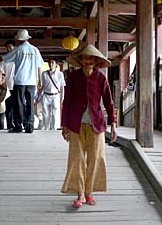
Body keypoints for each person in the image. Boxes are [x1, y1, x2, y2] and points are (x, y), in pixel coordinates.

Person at [60, 44, 117, 208]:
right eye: (84, 57)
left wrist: (113, 124)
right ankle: (79, 195)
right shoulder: (73, 77)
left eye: (91, 58)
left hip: (96, 124)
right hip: (75, 125)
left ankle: (89, 193)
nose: (87, 60)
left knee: (95, 159)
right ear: (80, 60)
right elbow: (68, 101)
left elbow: (109, 102)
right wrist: (64, 125)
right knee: (77, 160)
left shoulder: (101, 78)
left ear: (96, 60)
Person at [0, 29, 44, 133]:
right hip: (32, 82)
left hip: (20, 81)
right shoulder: (35, 50)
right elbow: (39, 67)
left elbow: (4, 58)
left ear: (19, 39)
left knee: (18, 104)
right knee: (30, 104)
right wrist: (40, 80)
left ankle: (18, 126)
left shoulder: (18, 49)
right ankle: (30, 127)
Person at [36, 58, 66, 130]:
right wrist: (38, 96)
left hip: (55, 95)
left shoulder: (60, 74)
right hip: (46, 95)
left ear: (56, 64)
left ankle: (54, 129)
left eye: (52, 63)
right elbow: (42, 86)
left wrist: (62, 97)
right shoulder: (44, 74)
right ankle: (46, 129)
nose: (51, 64)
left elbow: (62, 86)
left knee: (54, 114)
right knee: (46, 114)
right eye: (50, 63)